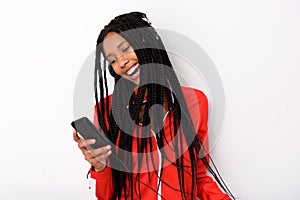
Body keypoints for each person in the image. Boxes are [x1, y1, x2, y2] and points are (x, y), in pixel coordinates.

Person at [73, 11, 234, 200]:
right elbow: (107, 194)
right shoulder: (105, 112)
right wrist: (100, 167)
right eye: (113, 60)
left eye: (125, 48)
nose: (122, 63)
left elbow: (197, 177)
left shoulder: (195, 103)